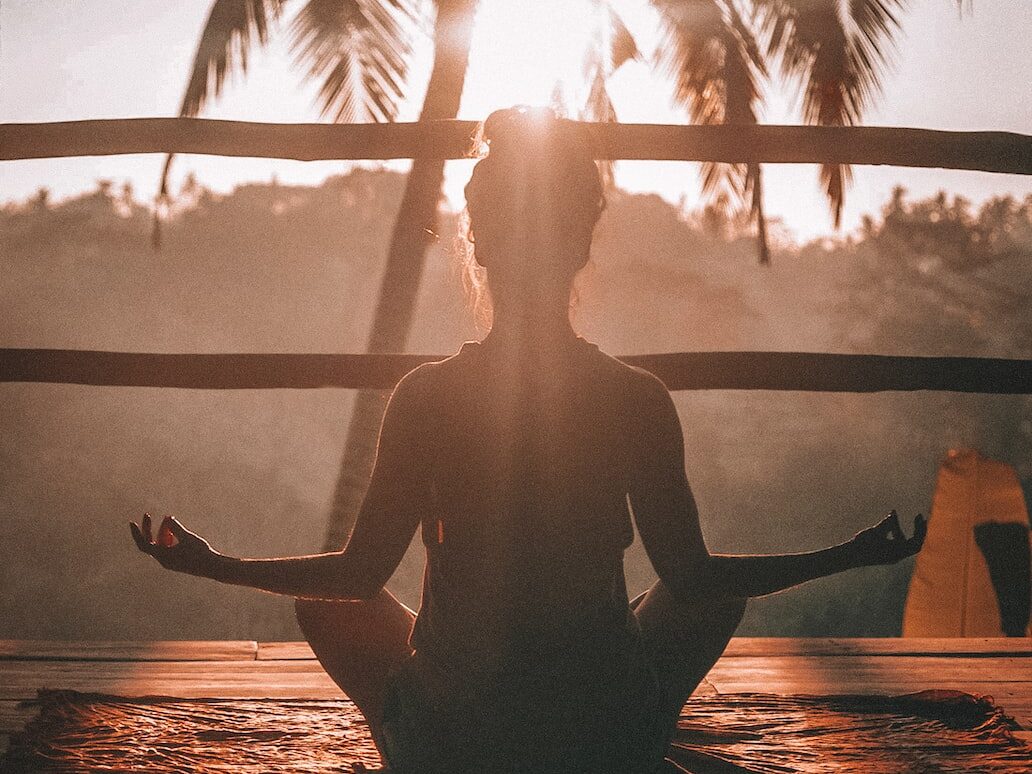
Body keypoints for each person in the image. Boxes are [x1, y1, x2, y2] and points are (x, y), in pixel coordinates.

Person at [130, 107, 927, 774]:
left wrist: (212, 563)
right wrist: (847, 554)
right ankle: (636, 738)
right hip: (599, 737)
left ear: (478, 241)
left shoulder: (428, 397)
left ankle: (414, 747)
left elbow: (357, 574)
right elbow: (693, 575)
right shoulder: (634, 399)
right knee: (706, 598)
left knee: (326, 606)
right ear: (583, 242)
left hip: (459, 742)